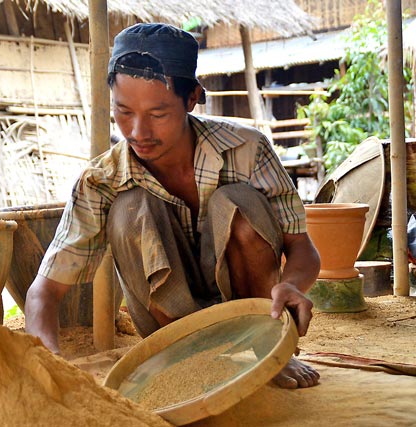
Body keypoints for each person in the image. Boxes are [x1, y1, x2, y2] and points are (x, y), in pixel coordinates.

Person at [25, 22, 321, 389]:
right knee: (128, 209)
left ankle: (266, 349)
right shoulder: (101, 180)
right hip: (171, 334)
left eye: (158, 114)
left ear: (193, 97)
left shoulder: (248, 150)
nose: (137, 131)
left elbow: (302, 247)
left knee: (239, 202)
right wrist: (48, 360)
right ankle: (192, 361)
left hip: (252, 316)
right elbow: (44, 291)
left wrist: (292, 284)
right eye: (124, 111)